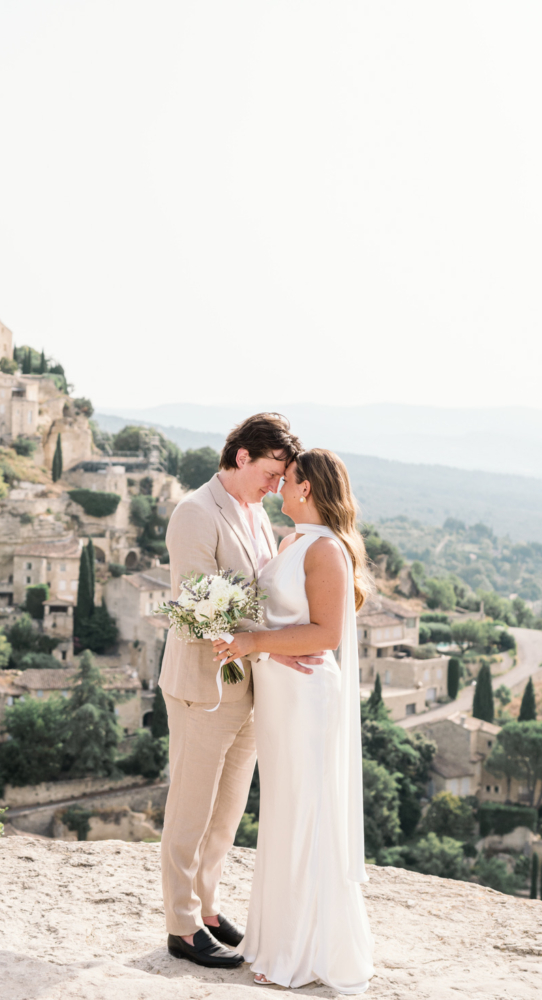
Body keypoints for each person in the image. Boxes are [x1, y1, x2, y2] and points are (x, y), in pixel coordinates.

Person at [159, 413, 320, 969]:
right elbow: (198, 609)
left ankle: (205, 908)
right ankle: (180, 925)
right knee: (190, 809)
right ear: (242, 456)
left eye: (283, 477)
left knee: (227, 810)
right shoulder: (194, 513)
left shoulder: (255, 515)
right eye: (272, 472)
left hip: (251, 689)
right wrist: (275, 645)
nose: (277, 486)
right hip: (202, 687)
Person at [213, 448, 375, 993]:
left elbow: (326, 634)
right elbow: (283, 616)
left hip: (306, 695)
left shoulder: (326, 549)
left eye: (288, 480)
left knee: (306, 809)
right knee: (282, 808)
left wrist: (253, 643)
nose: (279, 486)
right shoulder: (291, 542)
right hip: (279, 695)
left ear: (306, 489)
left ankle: (303, 952)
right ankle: (275, 938)